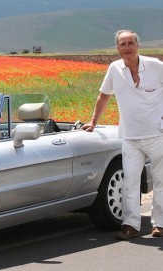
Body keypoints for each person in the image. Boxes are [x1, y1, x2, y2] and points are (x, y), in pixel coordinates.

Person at [82, 30, 163, 240]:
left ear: (138, 45)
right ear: (117, 48)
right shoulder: (114, 69)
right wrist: (93, 122)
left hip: (157, 134)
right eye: (122, 44)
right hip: (130, 136)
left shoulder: (155, 66)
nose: (126, 48)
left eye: (130, 43)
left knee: (161, 179)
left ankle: (160, 224)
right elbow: (104, 96)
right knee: (130, 181)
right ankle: (131, 225)